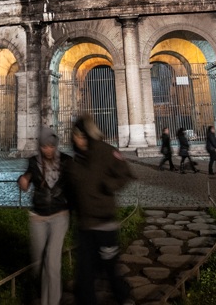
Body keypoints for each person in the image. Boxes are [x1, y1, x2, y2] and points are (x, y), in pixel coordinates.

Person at [65, 114, 134, 305]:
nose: (77, 140)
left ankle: (123, 297)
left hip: (105, 224)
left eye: (80, 135)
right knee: (84, 274)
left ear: (87, 134)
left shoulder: (105, 151)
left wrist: (108, 185)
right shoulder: (76, 160)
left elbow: (125, 173)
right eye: (75, 136)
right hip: (85, 226)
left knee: (111, 269)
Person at [17, 126, 71, 305]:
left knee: (53, 262)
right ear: (39, 146)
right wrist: (23, 181)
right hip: (38, 217)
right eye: (44, 146)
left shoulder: (66, 161)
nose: (48, 150)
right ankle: (43, 297)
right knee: (39, 264)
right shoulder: (34, 162)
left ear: (56, 146)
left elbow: (77, 181)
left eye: (51, 146)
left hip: (59, 214)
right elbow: (26, 179)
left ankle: (52, 301)